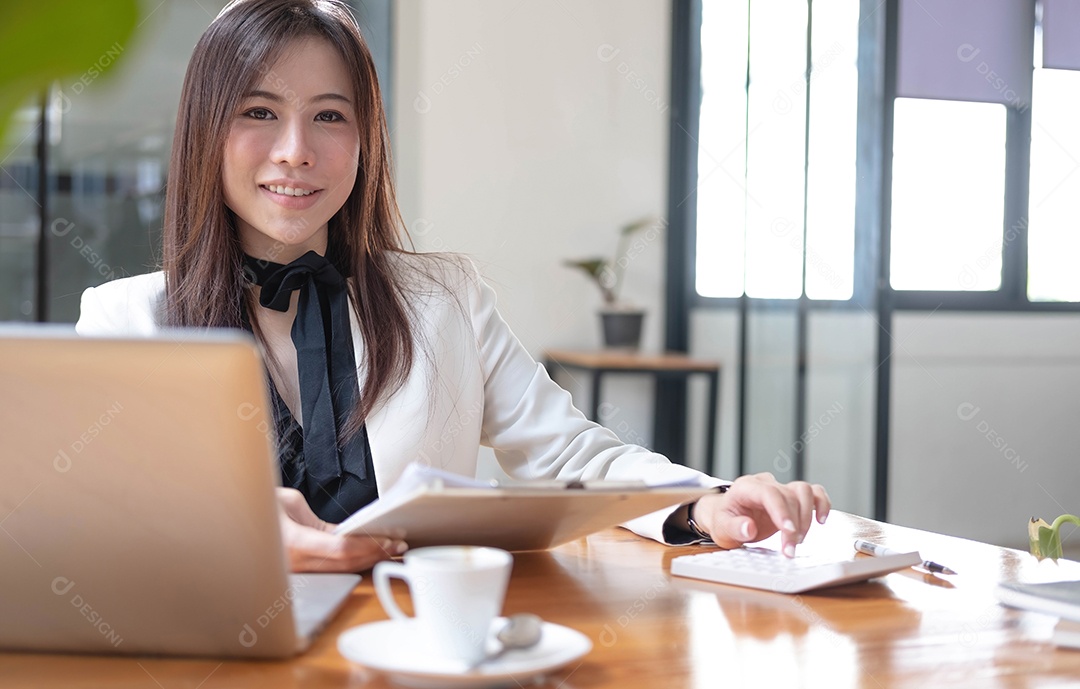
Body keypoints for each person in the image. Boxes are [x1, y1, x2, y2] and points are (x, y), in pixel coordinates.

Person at [75, 0, 830, 573]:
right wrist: (226, 529)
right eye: (259, 113)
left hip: (422, 648)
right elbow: (91, 514)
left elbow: (573, 455)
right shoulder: (124, 318)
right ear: (205, 132)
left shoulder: (443, 297)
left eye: (329, 116)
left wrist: (705, 504)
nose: (295, 151)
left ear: (365, 139)